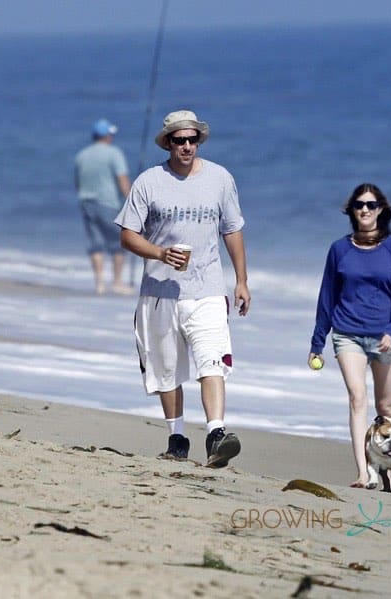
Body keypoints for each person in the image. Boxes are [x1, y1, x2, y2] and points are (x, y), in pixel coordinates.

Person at [115, 109, 251, 467]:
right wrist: (160, 252)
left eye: (192, 139)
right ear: (168, 143)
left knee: (212, 361)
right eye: (179, 141)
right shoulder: (149, 182)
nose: (186, 146)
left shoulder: (220, 179)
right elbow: (128, 235)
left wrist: (241, 280)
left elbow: (232, 230)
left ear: (199, 141)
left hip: (206, 289)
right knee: (166, 370)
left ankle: (216, 434)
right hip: (159, 292)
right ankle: (177, 438)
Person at [309, 183, 391, 488]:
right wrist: (317, 342)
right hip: (347, 333)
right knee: (357, 398)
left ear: (381, 209)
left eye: (370, 204)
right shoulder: (339, 249)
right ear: (351, 211)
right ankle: (364, 473)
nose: (364, 209)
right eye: (358, 205)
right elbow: (327, 296)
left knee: (386, 408)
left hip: (384, 337)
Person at [74, 118, 134, 295]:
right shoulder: (114, 153)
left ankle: (99, 283)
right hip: (107, 203)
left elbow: (78, 183)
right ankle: (116, 282)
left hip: (86, 203)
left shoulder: (82, 155)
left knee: (95, 243)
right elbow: (122, 180)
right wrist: (132, 202)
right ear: (107, 136)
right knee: (119, 242)